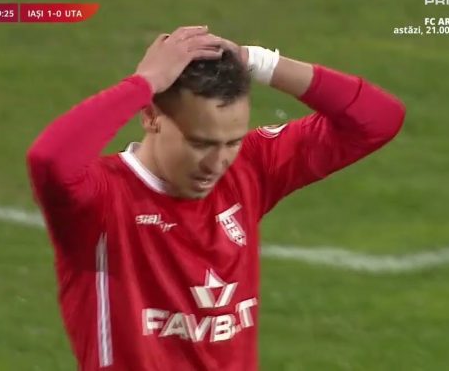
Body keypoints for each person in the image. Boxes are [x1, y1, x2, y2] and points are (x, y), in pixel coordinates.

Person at [26, 25, 405, 370]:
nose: (217, 163)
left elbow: (377, 119)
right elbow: (50, 159)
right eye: (200, 143)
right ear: (152, 117)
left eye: (232, 142)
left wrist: (258, 62)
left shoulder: (250, 168)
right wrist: (144, 83)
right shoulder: (101, 199)